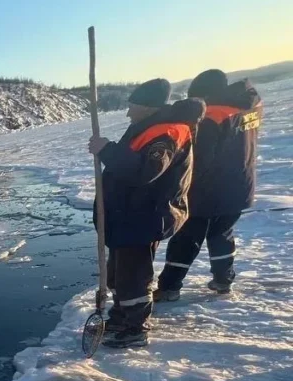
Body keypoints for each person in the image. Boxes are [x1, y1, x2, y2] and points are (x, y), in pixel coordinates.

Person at [87, 79, 206, 348]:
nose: (128, 112)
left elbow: (146, 171)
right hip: (128, 214)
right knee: (118, 273)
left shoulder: (166, 134)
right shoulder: (149, 128)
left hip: (143, 216)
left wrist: (107, 150)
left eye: (133, 106)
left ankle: (135, 328)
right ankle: (120, 316)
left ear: (148, 107)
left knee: (133, 276)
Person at [155, 70, 262, 299]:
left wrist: (179, 184)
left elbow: (200, 158)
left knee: (186, 235)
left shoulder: (212, 115)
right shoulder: (248, 105)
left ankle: (169, 287)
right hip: (240, 184)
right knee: (221, 233)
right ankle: (224, 280)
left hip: (208, 189)